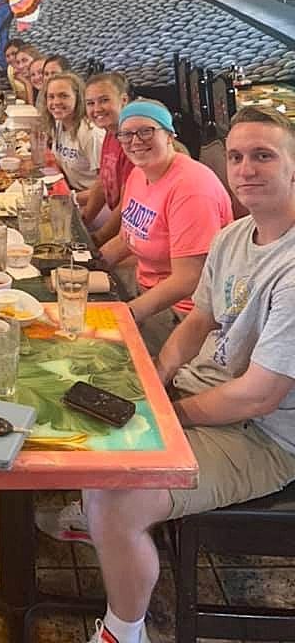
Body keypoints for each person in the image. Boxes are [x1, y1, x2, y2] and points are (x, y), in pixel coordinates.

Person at [65, 106, 295, 643]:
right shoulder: (236, 236)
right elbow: (199, 322)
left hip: (265, 439)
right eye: (236, 156)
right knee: (87, 395)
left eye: (264, 156)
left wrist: (165, 413)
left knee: (113, 498)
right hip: (205, 394)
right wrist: (152, 374)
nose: (245, 169)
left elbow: (259, 397)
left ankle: (125, 631)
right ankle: (100, 526)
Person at [100, 99, 232, 354]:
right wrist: (86, 265)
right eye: (126, 134)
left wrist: (128, 314)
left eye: (147, 131)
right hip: (146, 291)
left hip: (182, 316)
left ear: (169, 135)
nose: (136, 141)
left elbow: (188, 279)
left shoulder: (192, 188)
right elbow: (127, 236)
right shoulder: (140, 172)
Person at [81, 72, 132, 244]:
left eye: (104, 100)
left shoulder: (133, 142)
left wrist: (99, 238)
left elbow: (127, 204)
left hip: (129, 234)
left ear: (123, 100)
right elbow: (103, 183)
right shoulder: (110, 133)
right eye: (90, 103)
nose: (96, 109)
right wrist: (84, 220)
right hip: (113, 220)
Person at [41, 72, 106, 194]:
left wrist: (71, 200)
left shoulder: (91, 134)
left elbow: (106, 187)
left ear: (79, 98)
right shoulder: (59, 123)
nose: (56, 102)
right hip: (69, 189)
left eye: (63, 96)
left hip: (90, 200)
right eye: (51, 97)